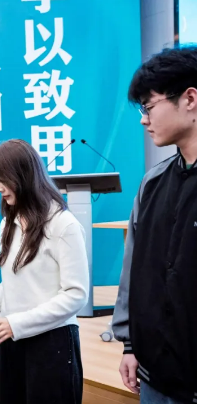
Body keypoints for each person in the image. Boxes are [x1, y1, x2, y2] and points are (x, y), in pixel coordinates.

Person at [0, 139, 89, 404]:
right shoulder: (8, 224)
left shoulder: (64, 225)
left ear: (23, 176)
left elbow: (75, 295)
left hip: (51, 343)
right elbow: (15, 283)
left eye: (2, 180)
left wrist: (17, 324)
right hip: (11, 339)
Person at [112, 47, 197, 404]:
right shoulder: (152, 183)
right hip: (155, 374)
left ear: (190, 99)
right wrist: (130, 344)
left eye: (148, 107)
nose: (143, 120)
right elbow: (135, 269)